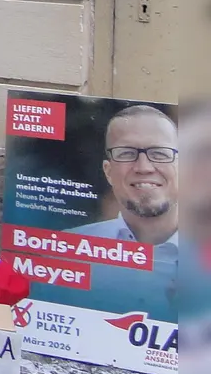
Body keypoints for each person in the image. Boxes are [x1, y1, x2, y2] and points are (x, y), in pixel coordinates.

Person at [70, 105, 178, 321]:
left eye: (160, 153)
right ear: (108, 172)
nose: (144, 167)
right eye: (127, 153)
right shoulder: (67, 249)